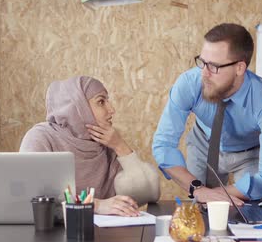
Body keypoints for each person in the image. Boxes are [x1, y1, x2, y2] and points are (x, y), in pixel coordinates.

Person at [152, 23, 262, 204]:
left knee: (250, 212)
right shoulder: (189, 83)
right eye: (202, 62)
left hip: (249, 153)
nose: (204, 73)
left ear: (240, 68)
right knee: (200, 210)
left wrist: (215, 193)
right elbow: (163, 145)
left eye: (214, 66)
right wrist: (198, 190)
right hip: (203, 144)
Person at [20, 76, 160, 217]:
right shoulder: (41, 137)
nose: (111, 109)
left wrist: (121, 147)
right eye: (101, 102)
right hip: (53, 235)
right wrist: (95, 205)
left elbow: (148, 195)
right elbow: (30, 198)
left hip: (103, 235)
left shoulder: (108, 142)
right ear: (78, 107)